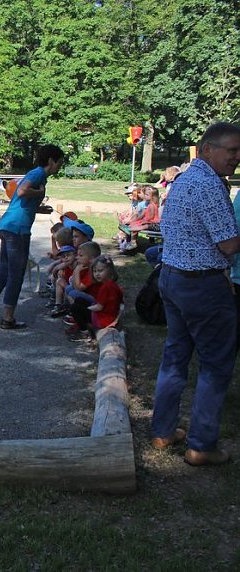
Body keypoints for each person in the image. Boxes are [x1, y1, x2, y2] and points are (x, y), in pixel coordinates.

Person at [151, 122, 240, 466]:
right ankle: (201, 445)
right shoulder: (209, 185)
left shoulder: (184, 179)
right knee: (216, 366)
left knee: (175, 357)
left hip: (172, 279)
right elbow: (229, 244)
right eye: (231, 150)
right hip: (202, 287)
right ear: (206, 149)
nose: (236, 157)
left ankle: (162, 431)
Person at [0, 144, 63, 329]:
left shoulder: (36, 174)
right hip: (18, 229)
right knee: (16, 274)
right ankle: (8, 318)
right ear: (51, 161)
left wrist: (39, 207)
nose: (60, 167)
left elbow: (21, 199)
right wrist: (40, 193)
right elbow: (23, 191)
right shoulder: (38, 174)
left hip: (8, 225)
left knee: (4, 271)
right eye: (59, 163)